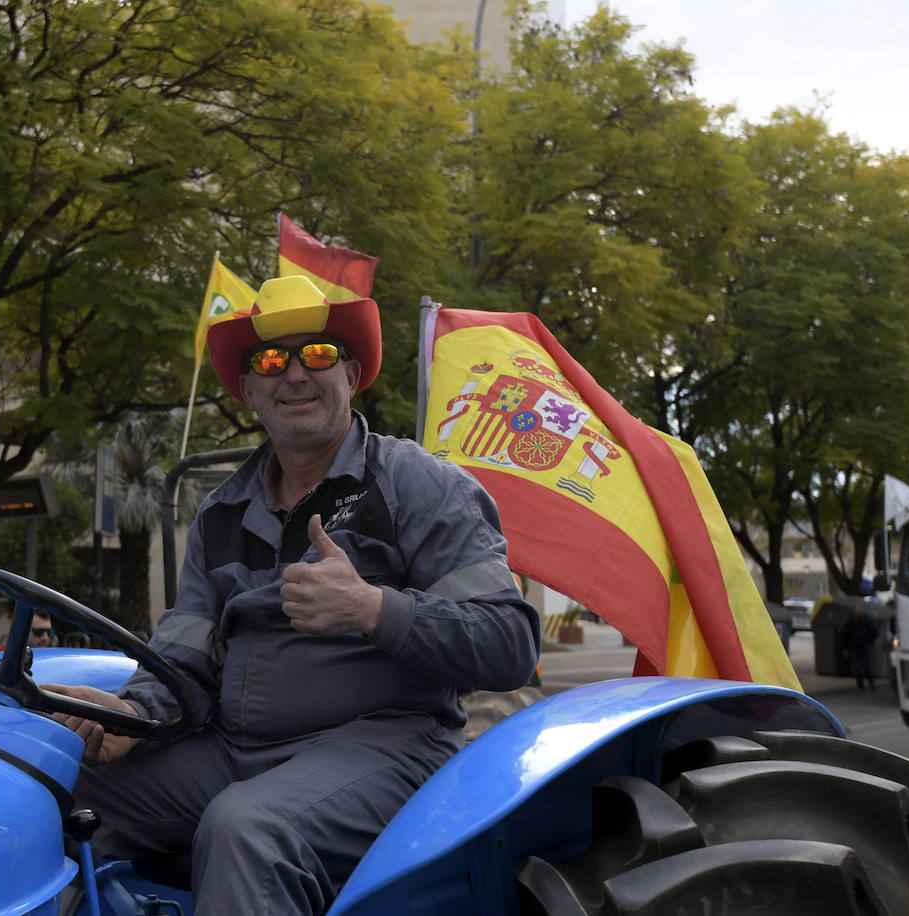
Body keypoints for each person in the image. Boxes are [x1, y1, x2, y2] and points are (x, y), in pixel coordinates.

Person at [46, 275, 540, 914]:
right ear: (249, 390)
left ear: (353, 373)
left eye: (320, 354)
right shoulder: (220, 515)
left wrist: (373, 609)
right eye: (272, 360)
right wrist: (134, 718)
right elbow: (182, 660)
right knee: (41, 786)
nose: (296, 374)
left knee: (246, 829)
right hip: (232, 750)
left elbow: (509, 643)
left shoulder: (417, 484)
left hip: (385, 745)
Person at [841, 601, 878, 692]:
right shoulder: (850, 622)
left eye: (857, 610)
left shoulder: (866, 620)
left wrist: (872, 641)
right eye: (854, 610)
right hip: (855, 647)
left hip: (865, 646)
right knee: (857, 669)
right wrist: (845, 648)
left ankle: (871, 685)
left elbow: (874, 631)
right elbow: (845, 635)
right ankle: (860, 687)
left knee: (867, 668)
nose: (855, 612)